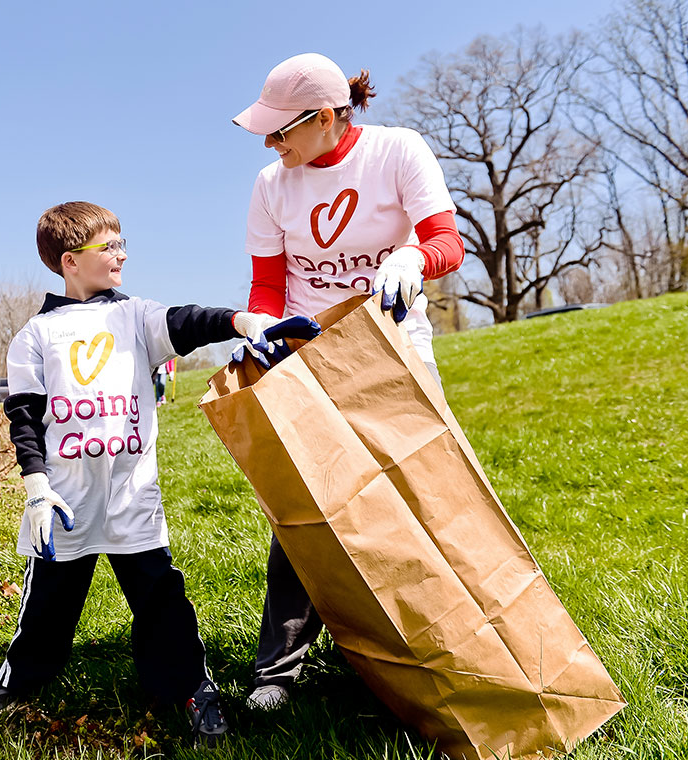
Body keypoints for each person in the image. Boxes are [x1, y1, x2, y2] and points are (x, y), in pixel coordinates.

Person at [0, 201, 308, 746]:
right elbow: (25, 419)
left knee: (162, 604)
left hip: (132, 501)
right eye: (108, 247)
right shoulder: (34, 336)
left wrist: (242, 321)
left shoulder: (135, 316)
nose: (121, 254)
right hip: (66, 505)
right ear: (68, 261)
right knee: (46, 608)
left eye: (122, 242)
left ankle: (191, 691)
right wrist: (37, 490)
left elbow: (186, 320)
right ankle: (18, 683)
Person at [230, 53, 464, 710]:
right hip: (309, 356)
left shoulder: (396, 152)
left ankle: (436, 649)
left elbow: (447, 240)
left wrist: (414, 256)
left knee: (424, 495)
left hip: (394, 348)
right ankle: (279, 669)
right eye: (268, 135)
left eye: (282, 132)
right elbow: (269, 281)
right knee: (304, 508)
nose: (273, 145)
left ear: (328, 118)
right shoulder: (272, 184)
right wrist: (262, 324)